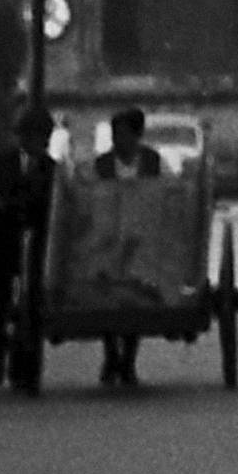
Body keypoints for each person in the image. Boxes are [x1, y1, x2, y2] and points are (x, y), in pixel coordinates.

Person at [0, 100, 49, 395]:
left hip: (36, 249)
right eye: (32, 136)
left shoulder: (52, 171)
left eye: (43, 137)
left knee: (32, 310)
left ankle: (24, 369)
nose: (38, 143)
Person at [89, 103, 165, 391]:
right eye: (114, 134)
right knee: (108, 295)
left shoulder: (152, 161)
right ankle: (110, 354)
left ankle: (129, 359)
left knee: (135, 295)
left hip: (142, 237)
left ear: (137, 135)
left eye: (122, 134)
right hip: (108, 236)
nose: (117, 140)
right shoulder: (102, 164)